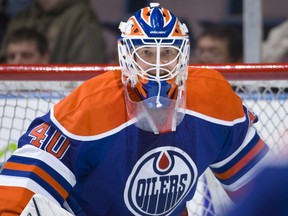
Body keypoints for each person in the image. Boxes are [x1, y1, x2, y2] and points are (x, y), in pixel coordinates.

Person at [0, 3, 270, 215]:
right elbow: (14, 195)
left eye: (167, 53)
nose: (157, 66)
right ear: (126, 54)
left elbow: (267, 193)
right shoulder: (87, 108)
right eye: (146, 52)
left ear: (184, 55)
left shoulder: (214, 100)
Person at [0, 0, 106, 64]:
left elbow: (87, 74)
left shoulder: (81, 18)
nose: (17, 63)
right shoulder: (20, 18)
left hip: (64, 97)